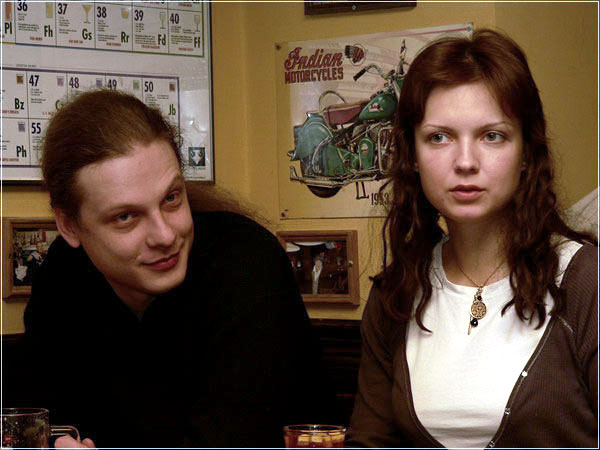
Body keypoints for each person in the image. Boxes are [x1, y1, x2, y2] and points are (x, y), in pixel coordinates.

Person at [15, 89, 335, 448]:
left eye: (171, 198)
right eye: (126, 216)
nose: (166, 235)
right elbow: (42, 422)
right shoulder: (63, 273)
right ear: (69, 226)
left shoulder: (245, 263)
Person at [347, 29, 598, 448]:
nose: (465, 162)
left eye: (492, 135)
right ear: (412, 155)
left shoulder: (585, 281)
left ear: (526, 152)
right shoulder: (397, 293)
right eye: (439, 137)